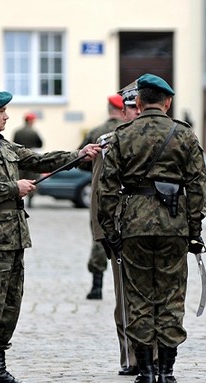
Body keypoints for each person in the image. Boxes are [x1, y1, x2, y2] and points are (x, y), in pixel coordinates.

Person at [0, 88, 100, 383]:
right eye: (1, 111)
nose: (6, 116)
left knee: (9, 306)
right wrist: (12, 187)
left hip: (14, 238)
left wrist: (79, 154)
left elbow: (39, 158)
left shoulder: (4, 146)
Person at [97, 73, 206, 383]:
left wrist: (109, 228)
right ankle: (167, 375)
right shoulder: (184, 136)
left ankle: (144, 373)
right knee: (171, 296)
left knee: (139, 297)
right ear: (167, 102)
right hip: (174, 226)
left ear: (139, 103)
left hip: (134, 226)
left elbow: (107, 188)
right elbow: (198, 185)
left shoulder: (122, 135)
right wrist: (194, 229)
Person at [84, 84, 143, 376]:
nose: (136, 112)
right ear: (123, 110)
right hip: (121, 230)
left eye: (140, 106)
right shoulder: (108, 143)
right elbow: (97, 190)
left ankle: (157, 358)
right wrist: (102, 233)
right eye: (131, 107)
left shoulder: (166, 137)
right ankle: (132, 357)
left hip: (156, 232)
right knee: (125, 299)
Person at [79, 94, 127, 300]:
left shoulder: (96, 132)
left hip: (100, 191)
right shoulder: (128, 131)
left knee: (99, 237)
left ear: (109, 109)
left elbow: (80, 160)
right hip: (126, 192)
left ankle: (96, 285)